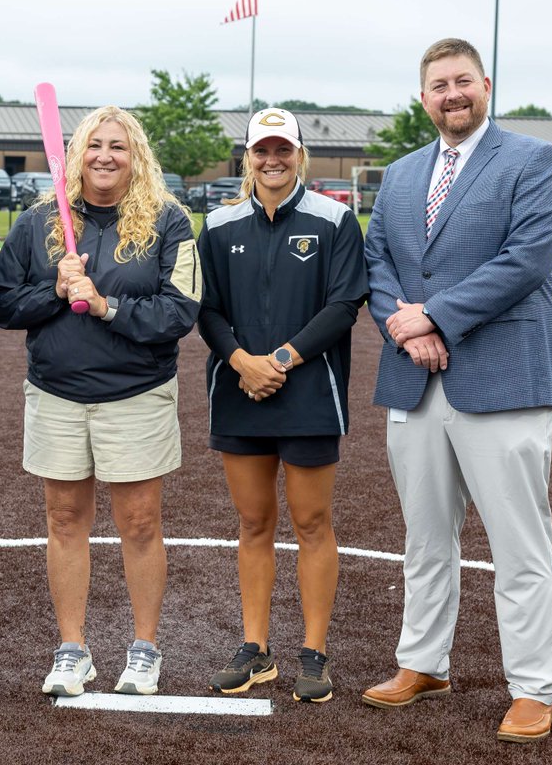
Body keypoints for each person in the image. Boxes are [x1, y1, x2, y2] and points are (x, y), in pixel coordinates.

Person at [361, 38, 552, 743]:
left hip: (504, 376)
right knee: (425, 539)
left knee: (519, 543)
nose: (451, 95)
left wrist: (435, 314)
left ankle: (535, 687)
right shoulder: (397, 176)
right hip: (415, 380)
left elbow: (527, 259)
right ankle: (424, 663)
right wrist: (407, 328)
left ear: (484, 84)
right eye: (437, 86)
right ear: (423, 98)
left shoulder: (533, 160)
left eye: (461, 82)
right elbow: (379, 262)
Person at [0, 106, 201, 698]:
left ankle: (144, 650)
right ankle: (72, 649)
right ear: (76, 154)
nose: (106, 156)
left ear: (138, 158)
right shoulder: (38, 224)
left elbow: (180, 312)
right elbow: (2, 306)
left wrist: (105, 305)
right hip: (57, 394)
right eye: (95, 145)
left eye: (120, 147)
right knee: (64, 521)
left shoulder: (168, 221)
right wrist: (53, 291)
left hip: (135, 395)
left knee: (139, 523)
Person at [198, 108, 369, 704]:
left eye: (284, 150)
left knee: (312, 523)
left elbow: (345, 303)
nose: (273, 161)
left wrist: (283, 360)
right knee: (252, 524)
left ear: (300, 155)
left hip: (308, 394)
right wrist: (243, 362)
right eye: (262, 151)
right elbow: (206, 308)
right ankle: (255, 650)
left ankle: (314, 653)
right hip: (239, 391)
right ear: (247, 156)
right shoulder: (217, 225)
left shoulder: (336, 219)